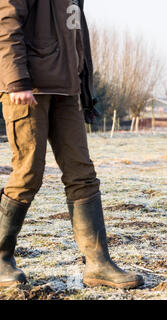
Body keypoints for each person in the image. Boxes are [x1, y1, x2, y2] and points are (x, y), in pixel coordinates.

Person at [0, 0, 144, 289]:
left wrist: (84, 88)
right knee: (27, 174)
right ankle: (1, 258)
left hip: (68, 90)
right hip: (29, 90)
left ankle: (98, 264)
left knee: (83, 175)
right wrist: (16, 81)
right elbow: (6, 24)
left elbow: (77, 39)